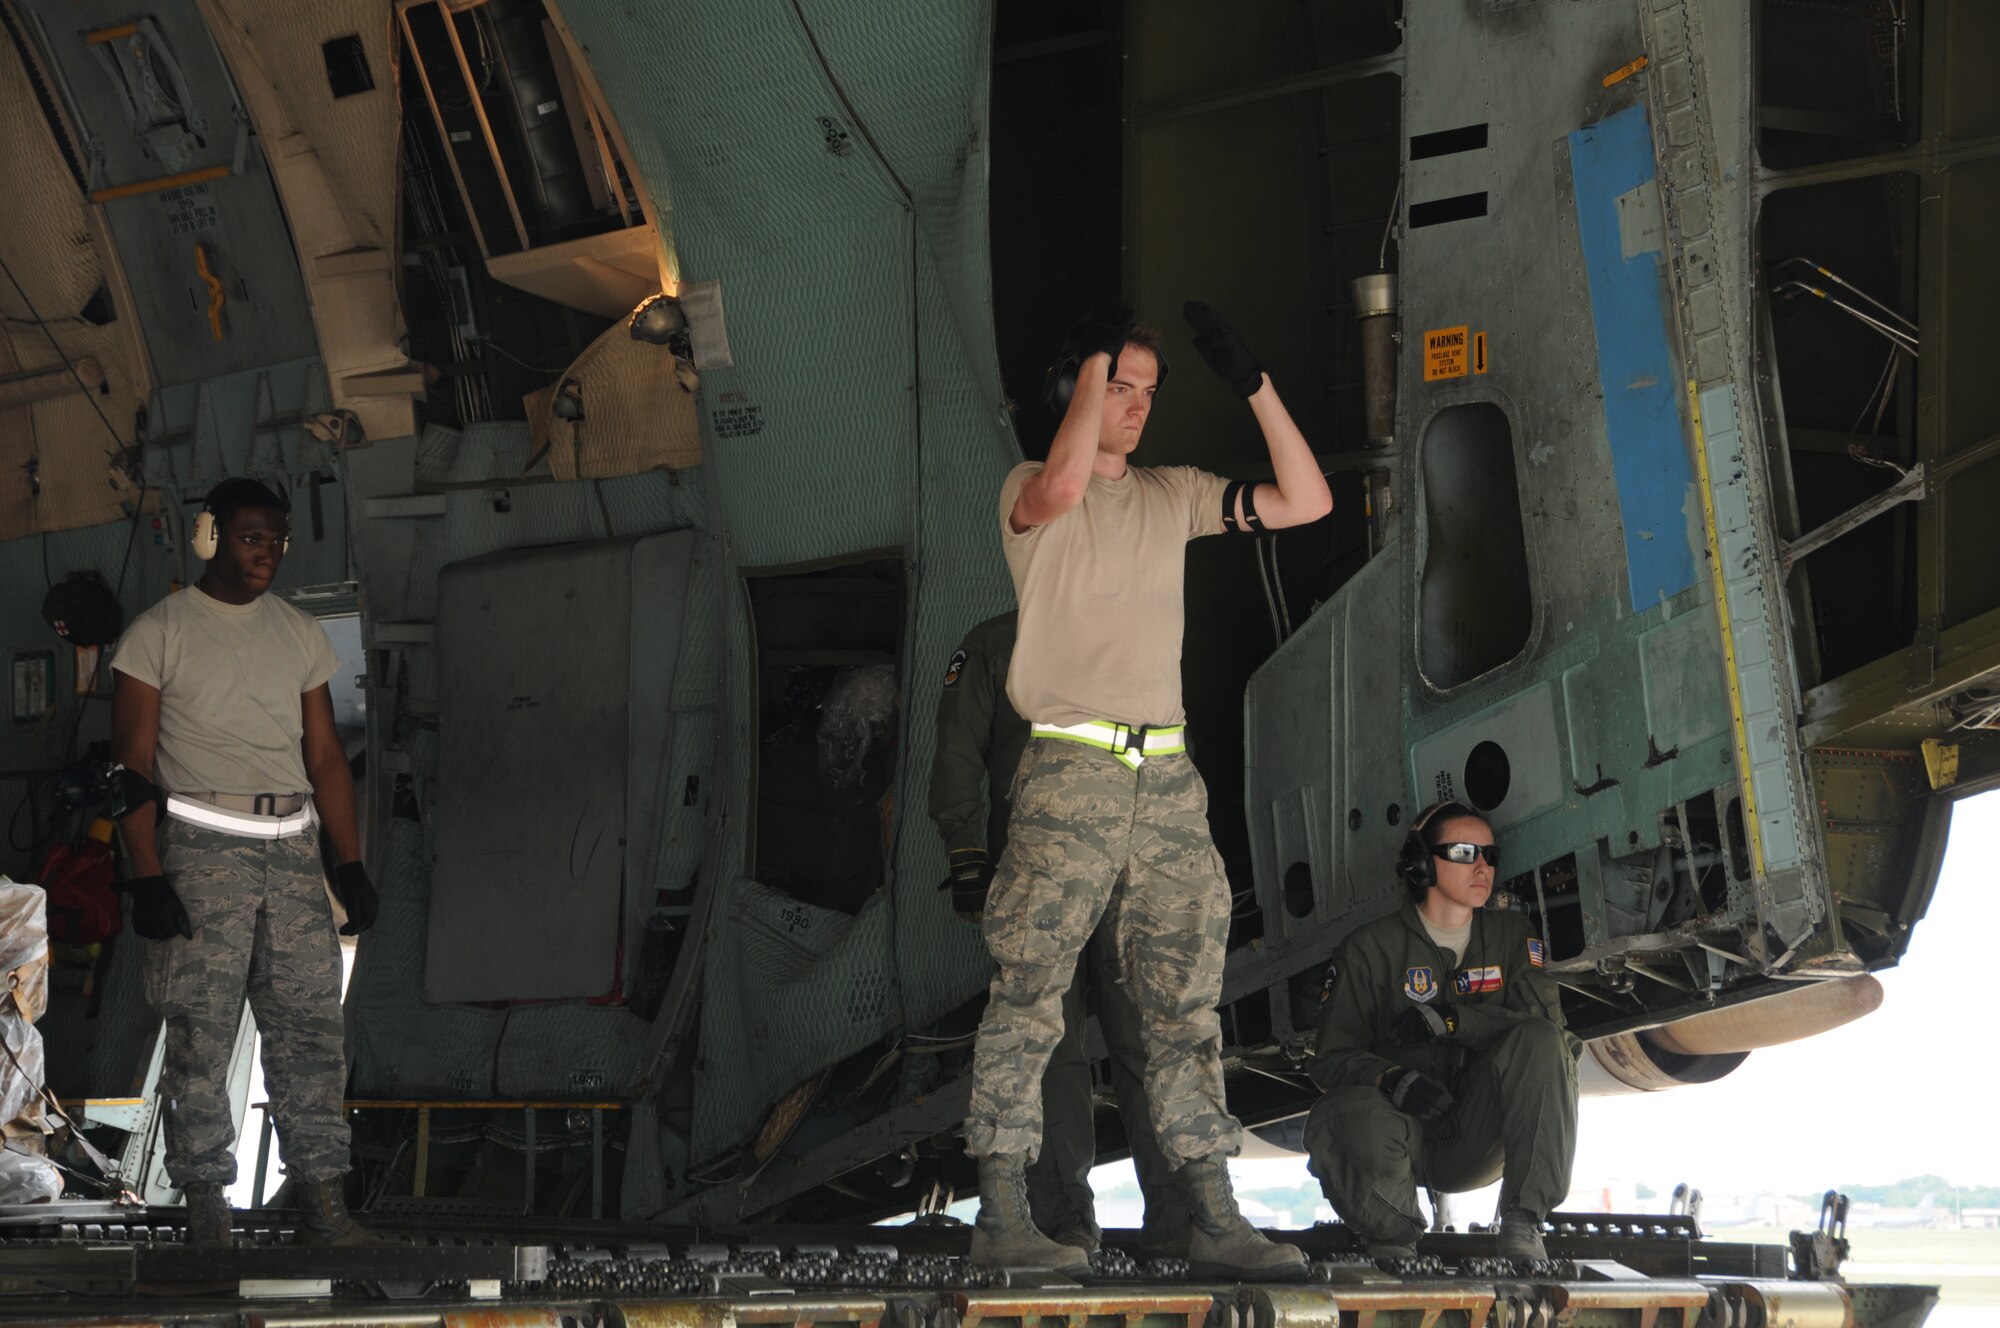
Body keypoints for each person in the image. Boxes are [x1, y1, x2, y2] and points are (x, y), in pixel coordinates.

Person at [962, 304, 1331, 1279]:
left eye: (1146, 391)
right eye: (1117, 386)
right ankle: (1001, 1211)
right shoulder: (1031, 491)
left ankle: (1205, 1206)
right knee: (1031, 992)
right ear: (1076, 388)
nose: (1134, 405)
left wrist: (1251, 382)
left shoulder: (1175, 492)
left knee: (1181, 1005)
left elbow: (1306, 501)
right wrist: (1090, 362)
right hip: (1070, 768)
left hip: (1164, 777)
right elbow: (1068, 478)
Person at [108, 477, 380, 1248]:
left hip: (292, 850)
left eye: (278, 541)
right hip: (201, 843)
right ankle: (207, 1206)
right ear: (209, 537)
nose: (267, 554)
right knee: (200, 1032)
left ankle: (325, 1198)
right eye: (251, 537)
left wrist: (348, 861)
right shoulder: (157, 634)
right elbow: (129, 767)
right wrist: (147, 873)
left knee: (310, 1031)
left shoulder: (298, 633)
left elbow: (325, 755)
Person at [929, 610, 1192, 1259]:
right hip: (1042, 872)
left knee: (1150, 1042)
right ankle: (1062, 1221)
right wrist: (966, 856)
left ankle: (1181, 1218)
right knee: (1052, 1052)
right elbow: (959, 749)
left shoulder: (1133, 630)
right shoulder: (993, 643)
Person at [1304, 800, 1579, 1261]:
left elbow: (1542, 1028)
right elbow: (1331, 1058)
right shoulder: (1370, 950)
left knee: (1544, 1044)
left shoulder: (1512, 936)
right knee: (1342, 1110)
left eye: (1490, 856)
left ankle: (1524, 1222)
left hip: (1476, 1135)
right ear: (1421, 864)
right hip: (1400, 1132)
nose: (1481, 867)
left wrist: (1454, 1020)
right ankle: (1392, 1235)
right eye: (1464, 852)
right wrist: (1388, 1078)